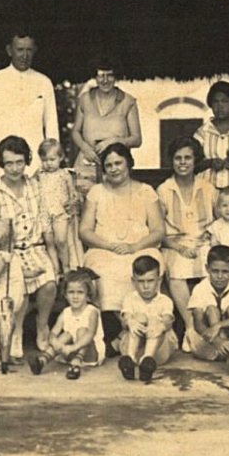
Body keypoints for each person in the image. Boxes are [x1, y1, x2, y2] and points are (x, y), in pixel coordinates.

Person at [80, 143, 166, 353]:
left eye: (118, 163)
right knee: (103, 271)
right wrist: (108, 245)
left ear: (129, 163)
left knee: (145, 266)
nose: (114, 169)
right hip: (104, 248)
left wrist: (134, 246)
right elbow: (84, 231)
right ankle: (120, 332)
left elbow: (158, 230)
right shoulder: (96, 192)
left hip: (140, 246)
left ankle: (136, 330)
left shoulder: (145, 191)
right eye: (109, 165)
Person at [0, 136, 58, 355]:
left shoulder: (36, 186)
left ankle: (42, 326)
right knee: (19, 289)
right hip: (9, 253)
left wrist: (54, 258)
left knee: (50, 283)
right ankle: (16, 332)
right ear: (1, 164)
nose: (14, 168)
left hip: (36, 248)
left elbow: (45, 222)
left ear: (27, 161)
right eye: (9, 163)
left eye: (19, 162)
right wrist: (9, 261)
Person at [0, 31, 58, 183]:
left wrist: (52, 163)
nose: (24, 56)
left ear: (35, 50)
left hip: (34, 168)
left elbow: (52, 127)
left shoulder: (44, 83)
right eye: (19, 50)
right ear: (9, 50)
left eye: (29, 50)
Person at [156, 136, 217, 353]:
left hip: (204, 242)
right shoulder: (164, 190)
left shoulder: (208, 188)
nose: (183, 163)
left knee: (213, 264)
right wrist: (179, 247)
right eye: (178, 158)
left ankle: (212, 327)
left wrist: (209, 240)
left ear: (195, 160)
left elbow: (219, 221)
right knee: (177, 269)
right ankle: (192, 329)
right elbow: (158, 231)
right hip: (174, 244)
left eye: (188, 158)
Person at [70, 58, 142, 192]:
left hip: (115, 165)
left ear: (116, 76)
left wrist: (114, 140)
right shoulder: (85, 99)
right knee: (84, 200)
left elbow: (137, 139)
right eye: (100, 75)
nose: (105, 80)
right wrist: (85, 148)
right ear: (95, 76)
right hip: (87, 162)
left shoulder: (128, 101)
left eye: (109, 75)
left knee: (115, 200)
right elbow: (75, 132)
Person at [186, 245, 229, 375]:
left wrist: (219, 325)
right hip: (205, 344)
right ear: (207, 268)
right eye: (215, 271)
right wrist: (217, 341)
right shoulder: (200, 289)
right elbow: (198, 324)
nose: (219, 276)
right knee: (212, 310)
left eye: (225, 272)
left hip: (227, 344)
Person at [27, 268, 104, 380]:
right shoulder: (66, 312)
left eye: (80, 292)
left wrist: (73, 347)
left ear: (88, 294)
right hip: (68, 352)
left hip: (90, 353)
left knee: (82, 331)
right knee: (66, 335)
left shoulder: (92, 311)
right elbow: (53, 332)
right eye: (71, 292)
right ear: (65, 295)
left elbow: (90, 335)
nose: (75, 296)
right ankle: (42, 361)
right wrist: (56, 342)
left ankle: (76, 365)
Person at [117, 255, 177, 383]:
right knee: (139, 317)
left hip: (158, 353)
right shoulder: (129, 299)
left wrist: (160, 326)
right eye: (141, 281)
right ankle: (130, 360)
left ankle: (147, 360)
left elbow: (168, 320)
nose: (145, 286)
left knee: (155, 320)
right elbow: (125, 319)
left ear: (159, 280)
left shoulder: (165, 301)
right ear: (133, 281)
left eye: (150, 281)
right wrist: (131, 322)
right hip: (133, 348)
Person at [194, 81, 229, 198]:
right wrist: (210, 163)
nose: (220, 106)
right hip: (209, 193)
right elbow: (194, 163)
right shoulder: (203, 131)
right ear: (210, 104)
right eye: (216, 102)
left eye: (225, 101)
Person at [0, 219, 27, 372]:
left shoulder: (12, 256)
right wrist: (4, 261)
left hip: (13, 299)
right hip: (2, 299)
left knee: (9, 329)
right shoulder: (0, 257)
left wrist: (34, 273)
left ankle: (6, 356)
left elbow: (19, 273)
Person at [36, 138, 79, 273]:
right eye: (44, 160)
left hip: (60, 212)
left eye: (52, 159)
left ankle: (66, 267)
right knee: (49, 242)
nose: (48, 163)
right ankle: (56, 269)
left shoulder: (65, 174)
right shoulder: (40, 174)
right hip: (44, 212)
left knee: (61, 240)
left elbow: (73, 193)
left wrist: (72, 200)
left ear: (61, 157)